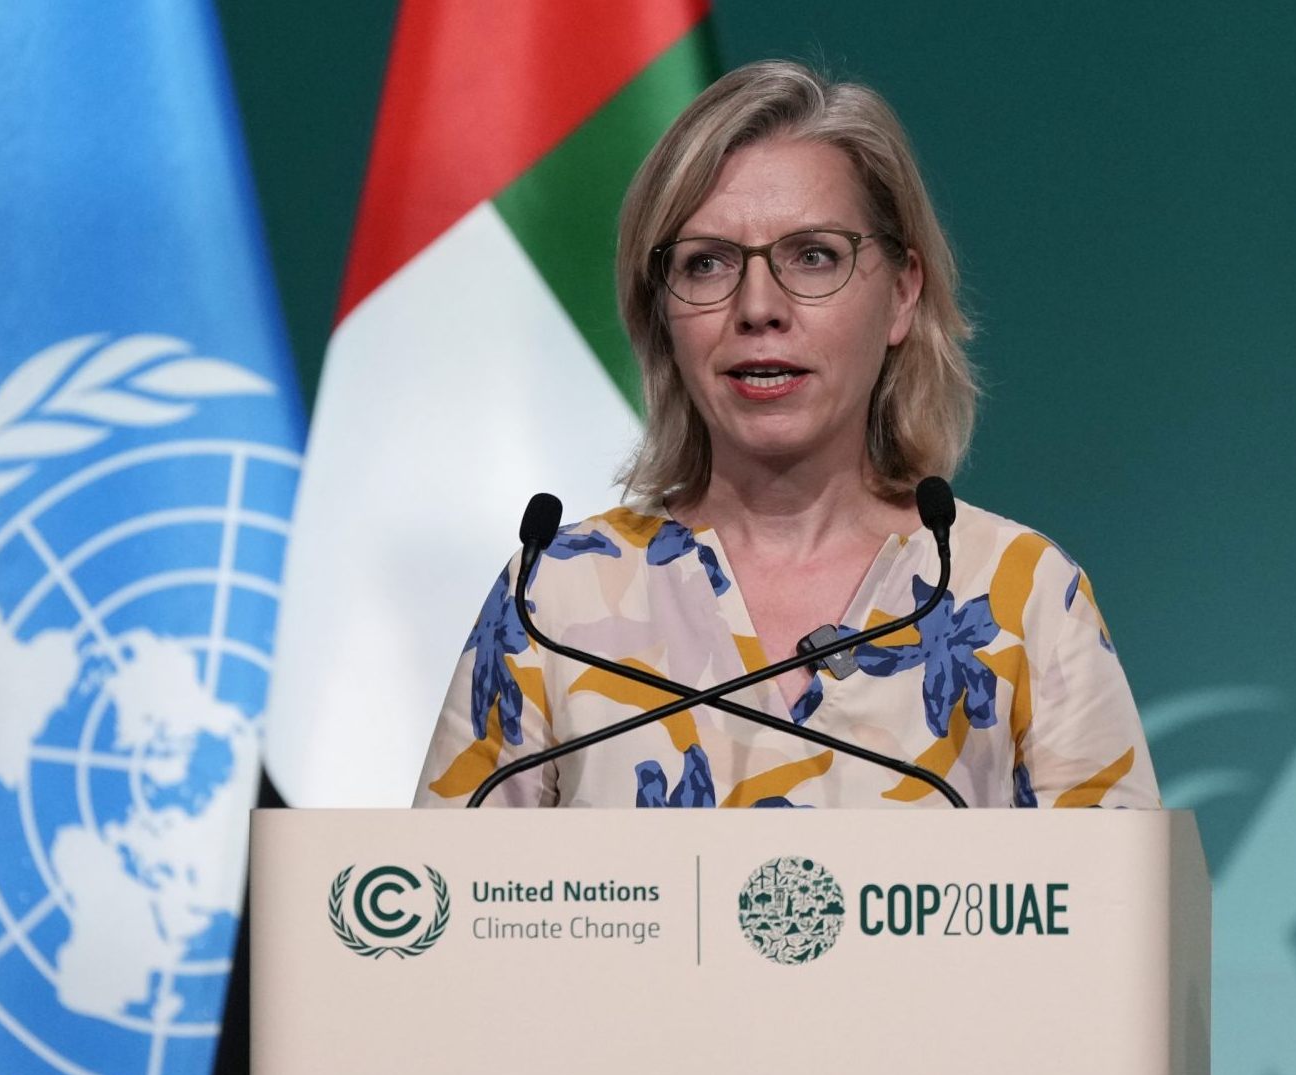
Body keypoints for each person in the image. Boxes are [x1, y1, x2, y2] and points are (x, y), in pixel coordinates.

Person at [412, 61, 1160, 812]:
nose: (758, 307)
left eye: (813, 256)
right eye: (707, 264)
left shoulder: (1021, 598)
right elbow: (443, 886)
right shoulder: (549, 602)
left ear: (902, 293)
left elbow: (1114, 889)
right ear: (661, 313)